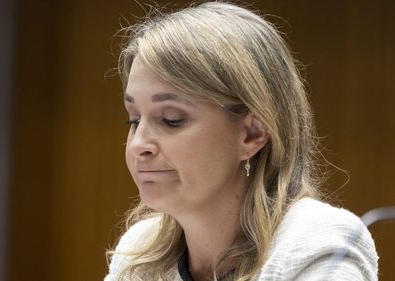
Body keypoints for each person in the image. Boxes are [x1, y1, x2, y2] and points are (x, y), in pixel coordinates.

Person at [104, 2, 378, 281]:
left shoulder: (320, 244)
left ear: (252, 134)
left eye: (172, 119)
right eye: (134, 120)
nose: (138, 144)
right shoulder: (139, 253)